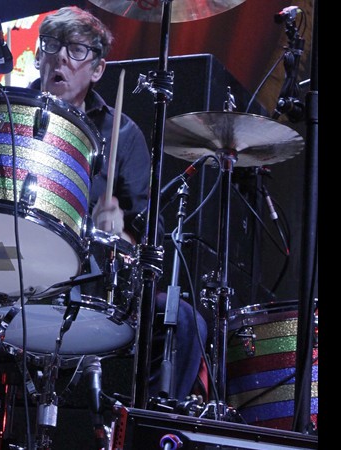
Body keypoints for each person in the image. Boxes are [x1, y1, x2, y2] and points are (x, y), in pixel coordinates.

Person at [28, 6, 208, 405]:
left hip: (90, 281)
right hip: (18, 264)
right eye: (52, 46)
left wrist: (121, 228)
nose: (60, 58)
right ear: (37, 57)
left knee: (184, 321)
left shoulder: (122, 133)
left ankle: (146, 428)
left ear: (97, 69)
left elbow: (148, 237)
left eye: (75, 50)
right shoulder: (11, 113)